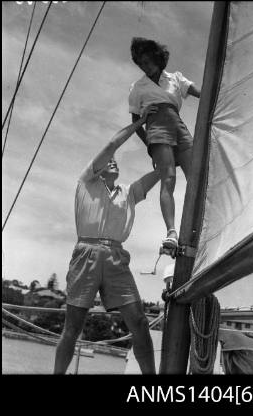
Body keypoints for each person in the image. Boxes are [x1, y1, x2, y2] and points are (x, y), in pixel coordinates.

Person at [54, 105, 160, 374]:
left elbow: (163, 169)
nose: (113, 161)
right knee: (73, 327)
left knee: (138, 321)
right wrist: (140, 124)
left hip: (116, 257)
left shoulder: (129, 192)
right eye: (109, 161)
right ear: (100, 168)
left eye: (116, 161)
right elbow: (113, 144)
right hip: (86, 253)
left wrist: (161, 144)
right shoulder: (86, 181)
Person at [129, 37, 201, 251]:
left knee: (195, 176)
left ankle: (198, 223)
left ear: (157, 59)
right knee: (168, 179)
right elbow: (135, 122)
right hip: (156, 130)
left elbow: (203, 93)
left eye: (147, 61)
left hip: (178, 126)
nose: (145, 66)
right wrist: (150, 147)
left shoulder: (176, 78)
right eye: (140, 63)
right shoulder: (137, 87)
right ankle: (171, 232)